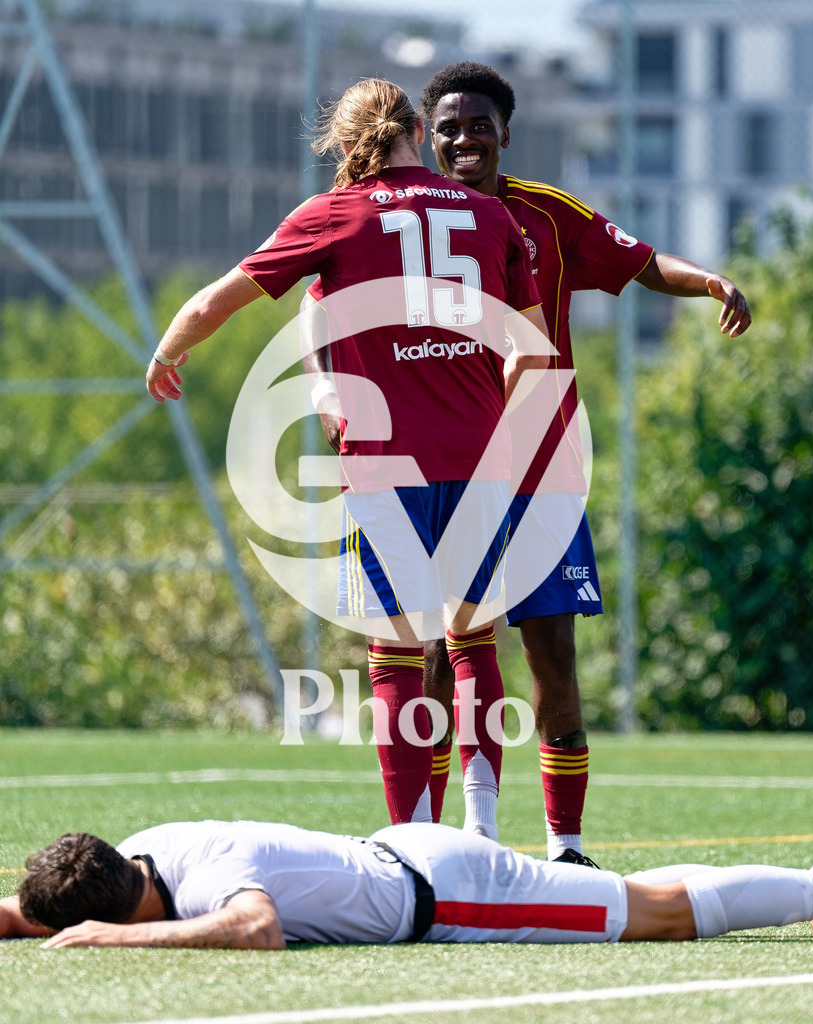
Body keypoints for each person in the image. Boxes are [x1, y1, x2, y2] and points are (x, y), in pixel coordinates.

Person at [145, 79, 550, 834]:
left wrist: (167, 351)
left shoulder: (334, 214)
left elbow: (214, 302)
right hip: (478, 460)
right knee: (472, 641)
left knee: (396, 656)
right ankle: (483, 833)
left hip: (383, 463)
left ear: (346, 139)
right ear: (419, 130)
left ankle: (413, 842)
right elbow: (532, 350)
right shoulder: (489, 214)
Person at [402, 61, 752, 862]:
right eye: (449, 128)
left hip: (541, 470)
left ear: (505, 132)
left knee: (551, 657)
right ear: (427, 138)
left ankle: (565, 847)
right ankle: (432, 840)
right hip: (447, 467)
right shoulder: (406, 221)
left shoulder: (547, 215)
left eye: (479, 124)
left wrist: (707, 281)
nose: (464, 138)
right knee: (439, 654)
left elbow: (640, 261)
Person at [1, 820, 813, 948]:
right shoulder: (135, 855)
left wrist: (118, 940)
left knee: (661, 916)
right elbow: (38, 908)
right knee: (634, 896)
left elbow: (256, 929)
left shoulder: (215, 883)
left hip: (452, 895)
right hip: (411, 858)